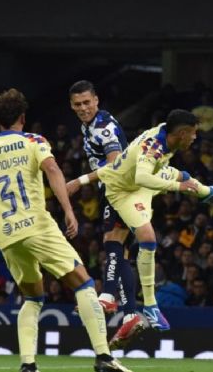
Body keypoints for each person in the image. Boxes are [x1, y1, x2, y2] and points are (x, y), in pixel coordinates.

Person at [0, 89, 130, 372]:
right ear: (22, 117)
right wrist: (67, 210)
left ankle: (28, 365)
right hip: (37, 226)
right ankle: (104, 358)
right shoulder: (33, 141)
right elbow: (52, 169)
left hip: (7, 234)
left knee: (32, 297)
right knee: (84, 283)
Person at [67, 109, 213, 333]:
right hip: (124, 191)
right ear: (183, 133)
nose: (195, 138)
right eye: (193, 134)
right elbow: (142, 177)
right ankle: (150, 305)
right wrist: (178, 188)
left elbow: (147, 172)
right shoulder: (153, 147)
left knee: (182, 175)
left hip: (145, 179)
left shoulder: (168, 134)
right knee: (147, 235)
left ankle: (207, 191)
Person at [69, 80, 143, 348]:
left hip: (121, 187)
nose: (83, 108)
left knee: (112, 242)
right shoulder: (87, 125)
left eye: (87, 102)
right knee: (117, 249)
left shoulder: (103, 127)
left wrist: (80, 181)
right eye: (78, 104)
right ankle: (131, 315)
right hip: (115, 189)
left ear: (97, 100)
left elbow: (116, 164)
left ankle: (109, 296)